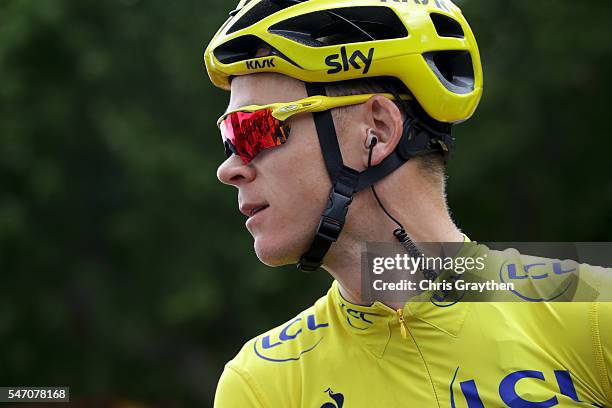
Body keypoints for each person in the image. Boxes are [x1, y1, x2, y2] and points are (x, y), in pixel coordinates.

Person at [204, 0, 612, 406]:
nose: (230, 168)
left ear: (377, 131)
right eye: (230, 137)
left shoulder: (592, 311)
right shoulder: (263, 385)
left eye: (254, 130)